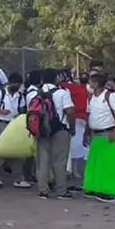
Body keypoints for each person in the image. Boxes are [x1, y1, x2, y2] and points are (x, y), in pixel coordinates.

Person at [26, 69, 75, 199]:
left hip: (41, 130)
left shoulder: (35, 94)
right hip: (60, 129)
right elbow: (70, 111)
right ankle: (61, 190)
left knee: (42, 161)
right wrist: (72, 128)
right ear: (56, 79)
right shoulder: (62, 93)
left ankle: (43, 189)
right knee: (59, 161)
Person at [84, 73, 115, 203]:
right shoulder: (91, 97)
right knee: (95, 162)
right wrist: (86, 132)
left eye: (91, 82)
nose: (89, 85)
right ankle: (94, 188)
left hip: (107, 132)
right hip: (94, 133)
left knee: (107, 163)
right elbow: (89, 114)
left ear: (96, 84)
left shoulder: (110, 96)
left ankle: (106, 192)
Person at [0, 72, 29, 189]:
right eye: (17, 84)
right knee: (0, 150)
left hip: (15, 125)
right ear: (11, 83)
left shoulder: (20, 96)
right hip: (2, 123)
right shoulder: (0, 94)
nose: (18, 86)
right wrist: (1, 111)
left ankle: (19, 178)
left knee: (17, 151)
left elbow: (22, 110)